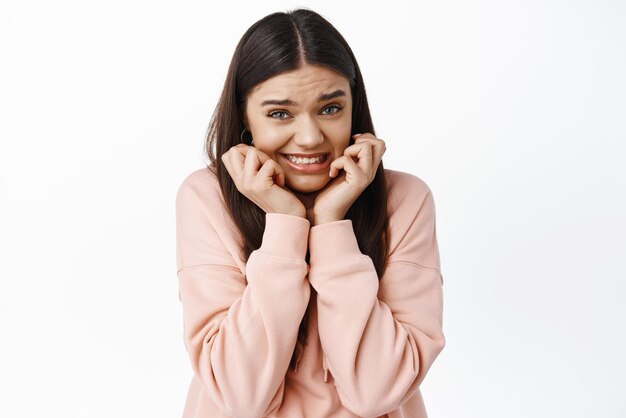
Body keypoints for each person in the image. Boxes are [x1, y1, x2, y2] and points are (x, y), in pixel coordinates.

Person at [175, 8, 445, 418]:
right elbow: (240, 395)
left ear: (355, 107)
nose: (309, 137)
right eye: (279, 113)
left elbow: (377, 392)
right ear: (244, 116)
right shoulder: (207, 198)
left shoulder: (405, 200)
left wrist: (332, 223)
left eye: (331, 109)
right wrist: (285, 224)